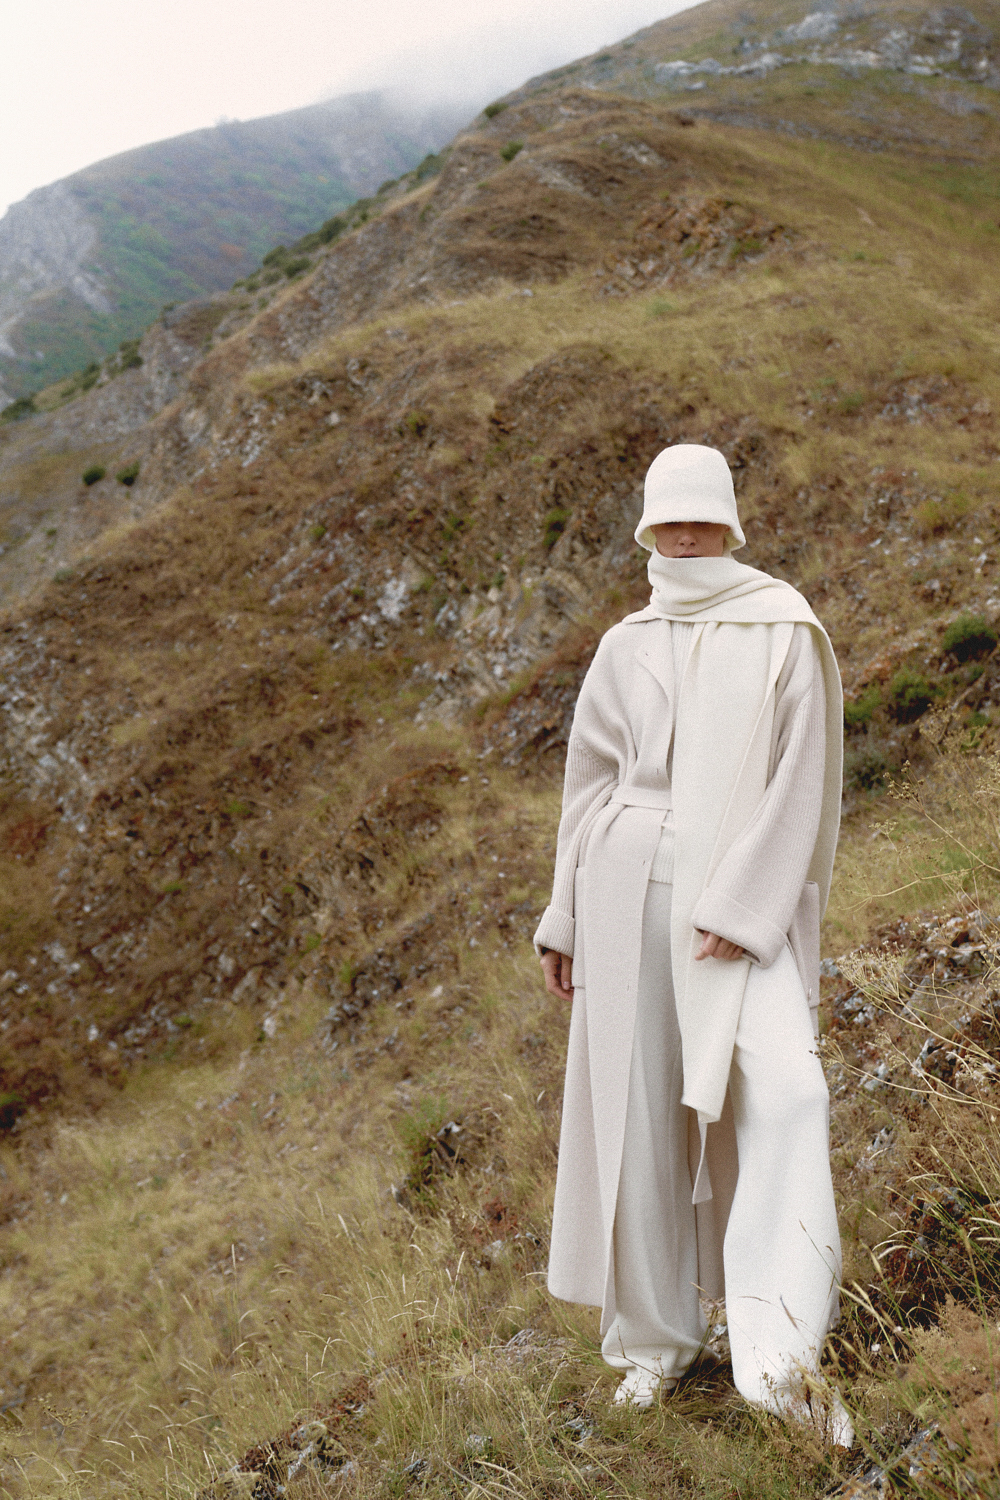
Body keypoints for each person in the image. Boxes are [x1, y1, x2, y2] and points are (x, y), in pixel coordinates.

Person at [534, 443, 851, 1444]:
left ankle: (780, 1350)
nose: (682, 532)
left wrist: (743, 907)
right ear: (645, 525)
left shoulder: (782, 626)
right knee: (633, 1121)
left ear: (729, 521)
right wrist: (564, 916)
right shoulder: (623, 643)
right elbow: (588, 783)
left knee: (790, 1093)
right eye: (665, 516)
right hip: (621, 888)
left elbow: (800, 779)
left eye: (699, 514)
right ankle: (654, 1345)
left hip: (732, 911)